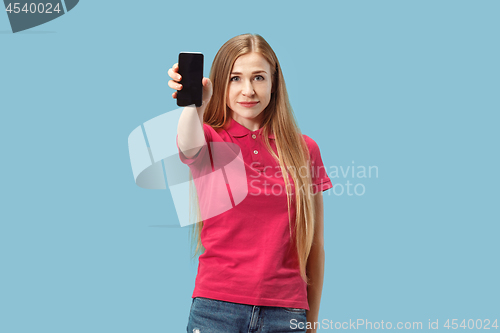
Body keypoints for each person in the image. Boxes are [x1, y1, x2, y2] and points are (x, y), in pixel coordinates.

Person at [169, 33, 333, 333]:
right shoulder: (211, 140)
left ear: (274, 83)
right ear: (221, 83)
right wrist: (194, 105)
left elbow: (315, 246)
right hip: (215, 309)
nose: (248, 90)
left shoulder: (304, 149)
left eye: (258, 77)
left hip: (286, 312)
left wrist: (311, 323)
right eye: (235, 78)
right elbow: (188, 144)